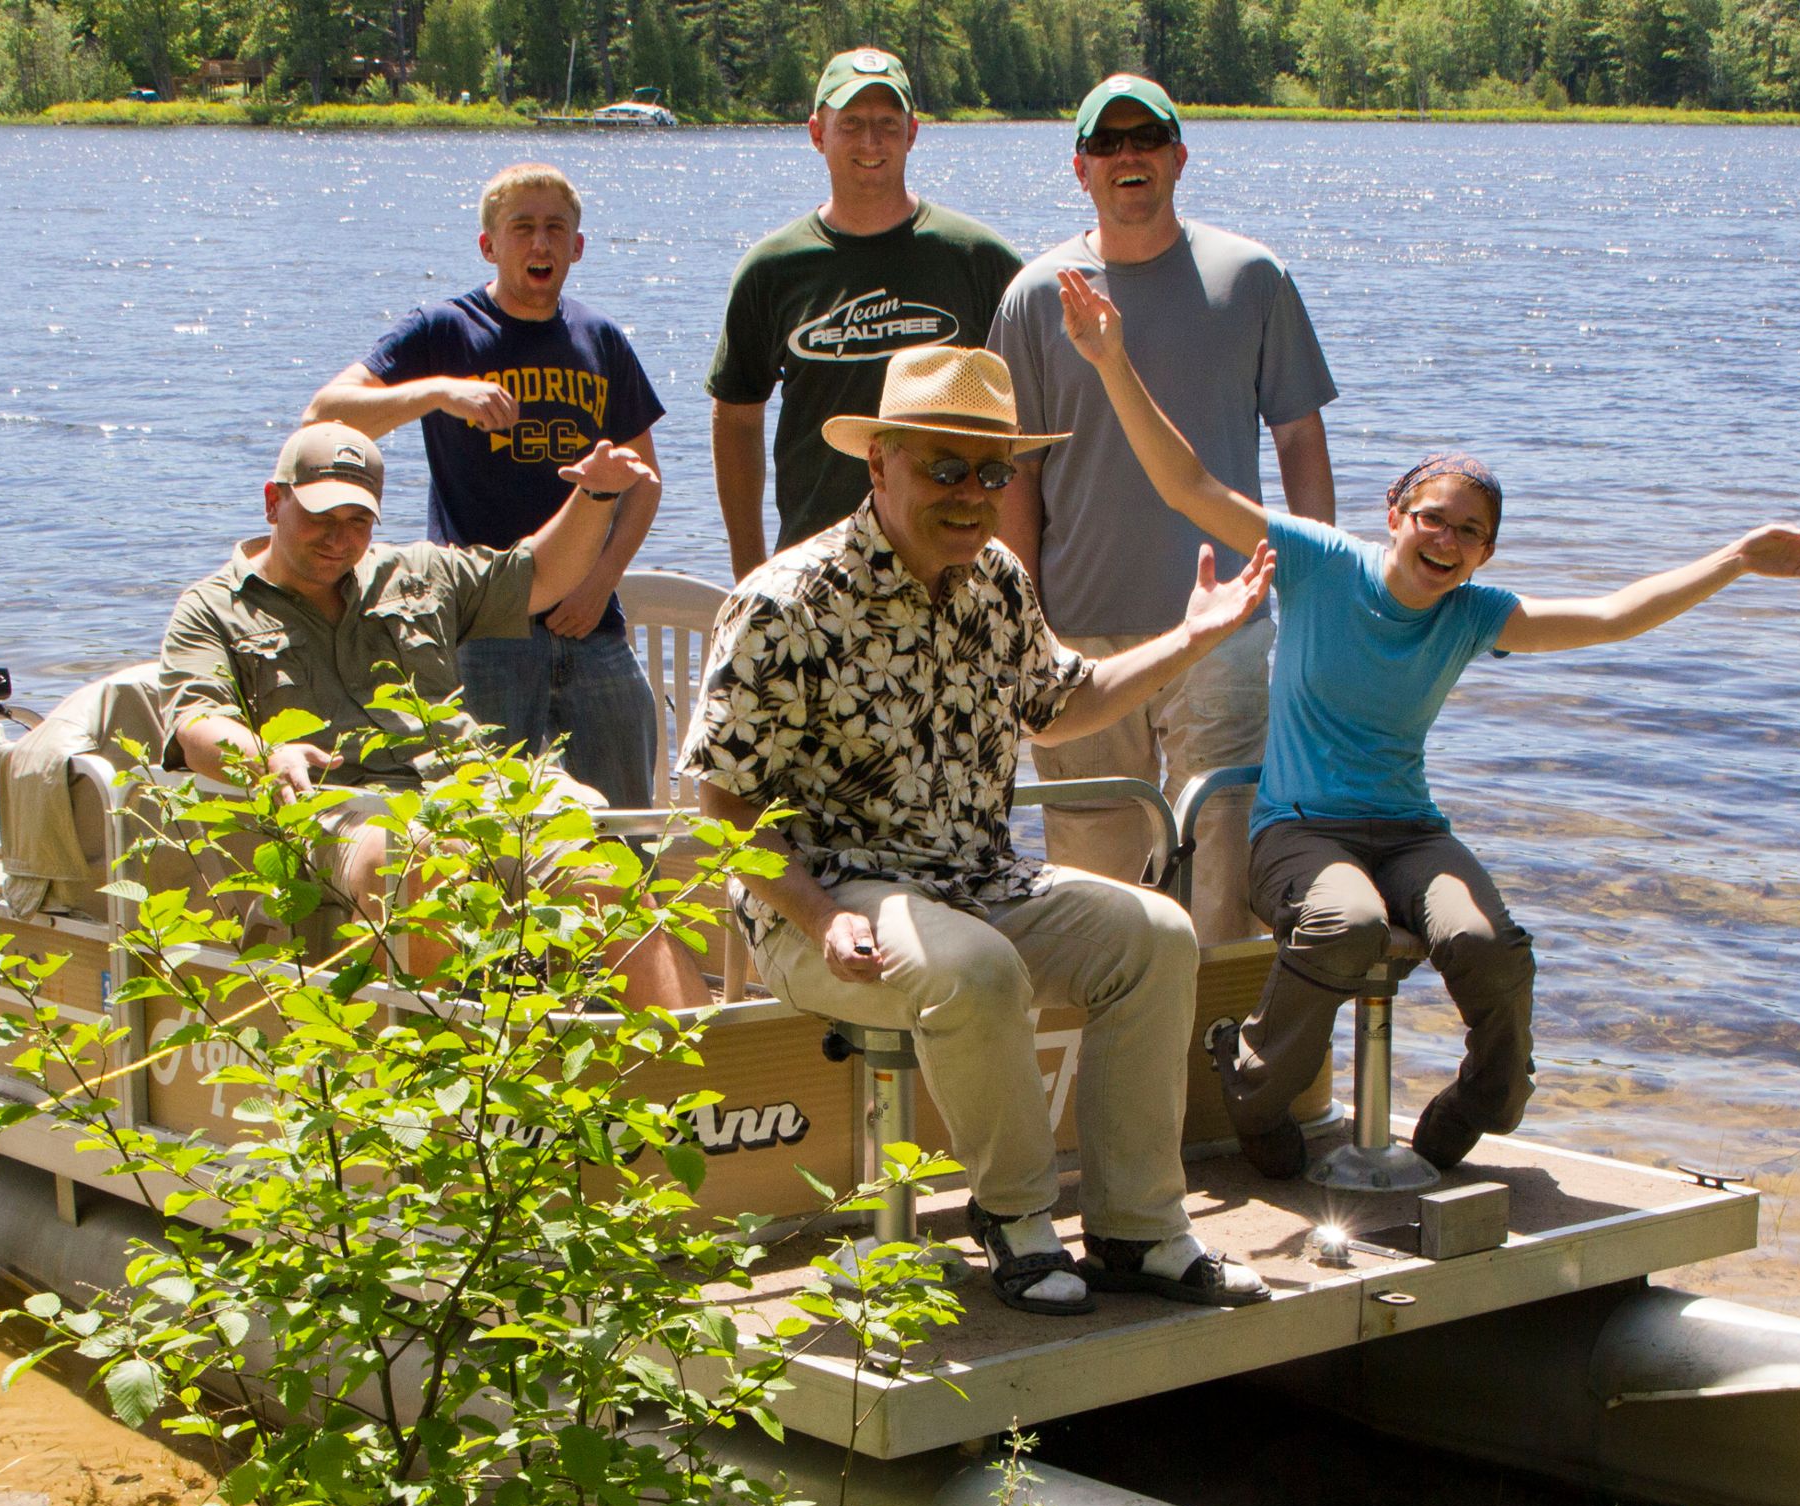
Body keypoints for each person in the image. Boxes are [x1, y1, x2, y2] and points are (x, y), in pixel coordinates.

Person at [1051, 269, 1800, 1175]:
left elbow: (1617, 614)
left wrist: (1737, 558)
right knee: (1343, 927)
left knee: (1484, 945)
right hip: (1300, 832)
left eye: (1470, 534)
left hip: (1410, 832)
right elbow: (1188, 483)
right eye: (1433, 519)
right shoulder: (1320, 562)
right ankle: (1253, 1080)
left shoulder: (1472, 615)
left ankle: (1481, 1101)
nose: (1447, 541)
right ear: (1396, 516)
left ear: (1486, 553)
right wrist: (1112, 361)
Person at [683, 344, 1275, 1317]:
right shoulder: (786, 604)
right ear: (879, 464)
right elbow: (722, 803)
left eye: (993, 471)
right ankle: (1015, 1217)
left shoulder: (995, 577)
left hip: (981, 883)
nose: (972, 494)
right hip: (823, 902)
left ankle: (1138, 1227)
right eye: (944, 467)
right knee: (976, 966)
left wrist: (1194, 637)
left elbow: (1062, 700)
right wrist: (817, 910)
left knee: (1157, 936)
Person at [160, 419, 708, 1012]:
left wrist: (595, 496)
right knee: (408, 860)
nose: (338, 539)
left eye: (357, 522)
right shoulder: (212, 606)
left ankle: (700, 1066)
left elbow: (541, 576)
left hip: (470, 787)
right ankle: (417, 1081)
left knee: (595, 856)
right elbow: (196, 722)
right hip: (335, 804)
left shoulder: (419, 572)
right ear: (274, 501)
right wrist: (269, 755)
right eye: (319, 518)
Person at [988, 73, 1337, 951]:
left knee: (1224, 852)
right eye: (1107, 144)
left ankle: (1216, 1061)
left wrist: (1315, 591)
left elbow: (1299, 439)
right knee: (1092, 874)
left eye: (1146, 137)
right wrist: (1022, 623)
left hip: (1225, 627)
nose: (1128, 156)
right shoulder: (1037, 296)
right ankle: (1109, 1062)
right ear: (1081, 169)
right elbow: (1013, 479)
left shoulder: (1251, 277)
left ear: (1180, 156)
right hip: (1080, 633)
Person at [303, 163, 668, 809]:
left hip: (590, 621)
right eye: (522, 228)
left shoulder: (601, 338)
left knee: (627, 822)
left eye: (556, 229)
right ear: (488, 245)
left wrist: (603, 578)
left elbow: (645, 481)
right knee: (489, 827)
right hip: (483, 628)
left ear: (578, 247)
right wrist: (439, 392)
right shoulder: (447, 329)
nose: (540, 244)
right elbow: (325, 414)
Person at [706, 47, 1022, 577]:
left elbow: (1028, 422)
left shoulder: (979, 259)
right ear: (816, 133)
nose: (870, 141)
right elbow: (736, 419)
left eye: (886, 123)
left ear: (913, 132)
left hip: (955, 566)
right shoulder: (772, 269)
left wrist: (1014, 562)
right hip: (815, 571)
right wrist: (750, 572)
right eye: (850, 123)